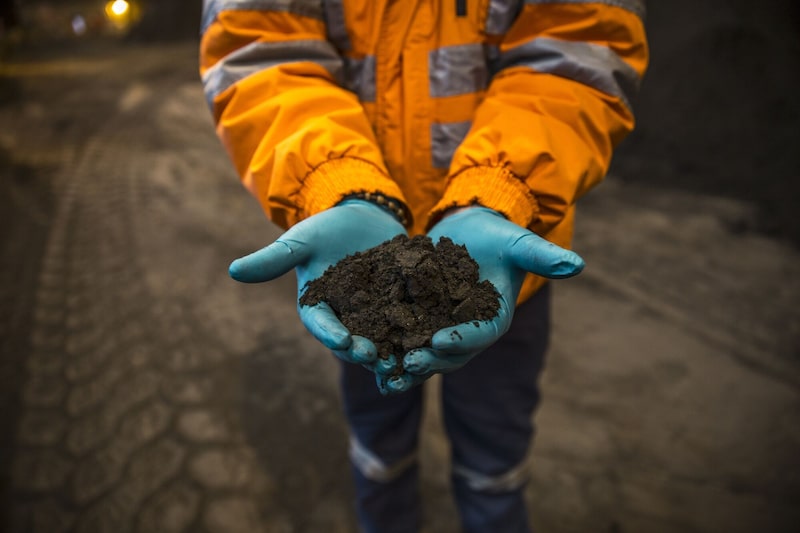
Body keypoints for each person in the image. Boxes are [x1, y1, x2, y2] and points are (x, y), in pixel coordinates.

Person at [199, 1, 648, 531]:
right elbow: (260, 54)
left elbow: (576, 52)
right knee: (378, 452)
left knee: (494, 462)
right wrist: (335, 181)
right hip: (356, 270)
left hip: (500, 262)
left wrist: (499, 190)